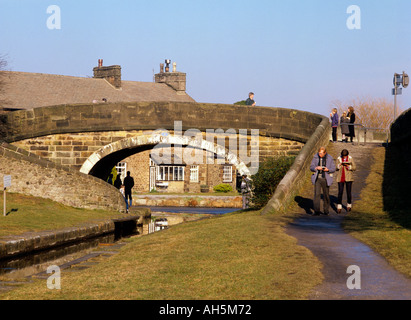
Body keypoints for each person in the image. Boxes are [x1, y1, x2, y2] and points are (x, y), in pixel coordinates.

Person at [310, 147, 336, 215]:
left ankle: (326, 210)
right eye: (319, 153)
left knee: (326, 195)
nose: (320, 154)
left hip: (326, 178)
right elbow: (311, 167)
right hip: (317, 178)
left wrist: (328, 170)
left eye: (321, 153)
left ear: (325, 153)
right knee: (317, 194)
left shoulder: (330, 158)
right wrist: (316, 168)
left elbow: (333, 168)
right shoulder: (315, 157)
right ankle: (316, 211)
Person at [336, 149, 356, 213]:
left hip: (349, 177)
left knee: (348, 192)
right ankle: (339, 206)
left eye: (345, 156)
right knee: (340, 192)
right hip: (341, 177)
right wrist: (339, 165)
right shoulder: (338, 158)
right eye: (343, 156)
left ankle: (349, 205)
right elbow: (336, 168)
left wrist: (349, 166)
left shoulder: (350, 158)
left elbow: (354, 167)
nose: (344, 157)